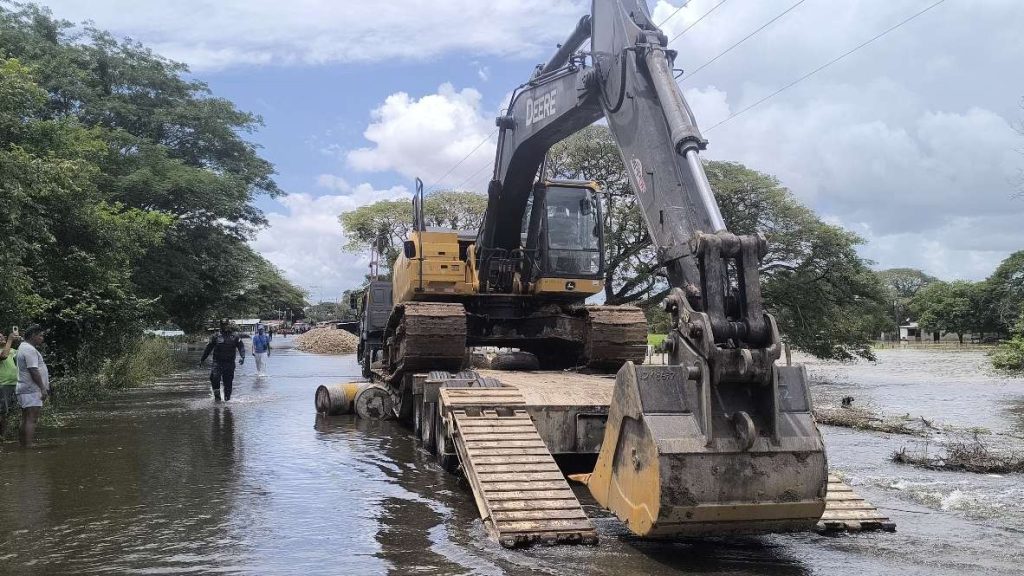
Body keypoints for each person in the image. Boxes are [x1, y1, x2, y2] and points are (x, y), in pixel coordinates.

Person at [15, 325, 48, 447]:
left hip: (26, 389)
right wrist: (43, 388)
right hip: (31, 389)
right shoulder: (29, 349)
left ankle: (23, 445)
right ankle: (28, 446)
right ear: (33, 335)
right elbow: (33, 370)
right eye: (40, 335)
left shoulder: (23, 347)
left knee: (26, 418)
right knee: (31, 419)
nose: (42, 338)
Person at [200, 319, 245, 402]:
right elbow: (208, 348)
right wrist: (202, 359)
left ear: (229, 325)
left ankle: (227, 401)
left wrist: (242, 357)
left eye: (226, 324)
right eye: (223, 325)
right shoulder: (215, 336)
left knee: (228, 383)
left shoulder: (235, 336)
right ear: (220, 325)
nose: (225, 326)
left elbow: (241, 347)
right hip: (217, 362)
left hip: (229, 363)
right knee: (214, 378)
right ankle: (217, 398)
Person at [0, 329, 21, 439]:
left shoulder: (12, 350)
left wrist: (21, 341)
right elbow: (3, 356)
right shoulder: (5, 350)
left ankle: (12, 435)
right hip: (3, 385)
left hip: (16, 384)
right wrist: (9, 340)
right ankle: (2, 437)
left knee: (14, 411)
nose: (2, 338)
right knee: (3, 412)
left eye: (2, 336)